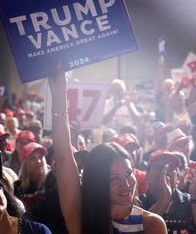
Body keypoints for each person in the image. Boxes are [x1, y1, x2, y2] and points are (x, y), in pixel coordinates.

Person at [49, 69, 166, 234]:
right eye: (114, 178)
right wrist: (59, 93)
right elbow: (64, 158)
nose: (126, 185)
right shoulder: (81, 217)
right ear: (98, 181)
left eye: (128, 174)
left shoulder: (152, 224)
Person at [141, 150, 196, 233]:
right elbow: (140, 230)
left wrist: (195, 195)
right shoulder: (139, 202)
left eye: (170, 167)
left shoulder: (190, 200)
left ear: (177, 176)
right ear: (147, 176)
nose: (164, 171)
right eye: (158, 167)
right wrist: (164, 198)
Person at [14, 142, 50, 210]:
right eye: (32, 158)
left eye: (41, 157)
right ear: (25, 163)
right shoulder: (18, 186)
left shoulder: (51, 180)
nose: (38, 161)